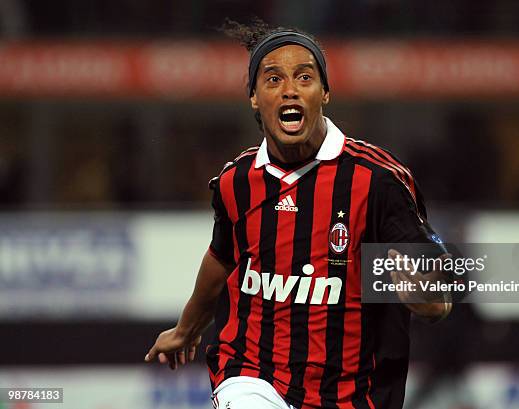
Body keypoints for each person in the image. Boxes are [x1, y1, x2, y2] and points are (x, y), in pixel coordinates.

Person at [145, 18, 451, 409]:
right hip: (252, 375)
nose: (289, 90)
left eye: (304, 78)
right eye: (273, 80)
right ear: (254, 97)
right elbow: (221, 259)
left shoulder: (378, 181)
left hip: (353, 395)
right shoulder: (235, 181)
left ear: (324, 92)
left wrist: (430, 299)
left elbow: (435, 285)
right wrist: (186, 329)